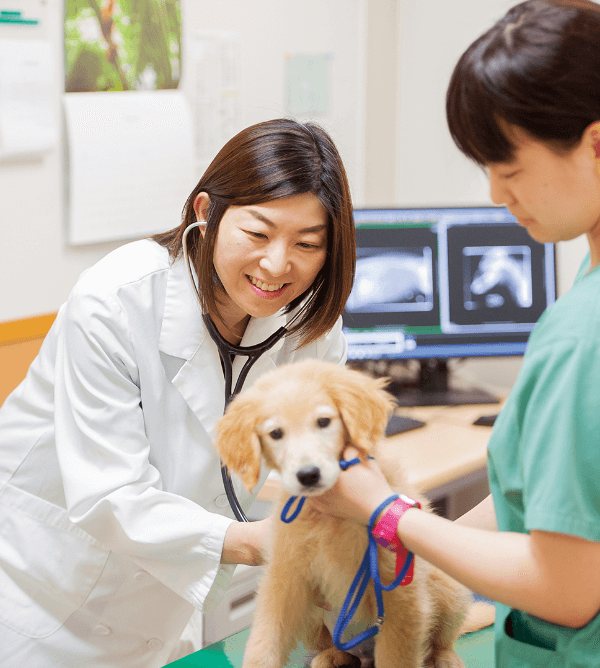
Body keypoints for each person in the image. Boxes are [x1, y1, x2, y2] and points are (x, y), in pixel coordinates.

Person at [0, 118, 356, 667]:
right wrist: (269, 545)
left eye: (307, 244)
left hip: (159, 610)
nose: (277, 264)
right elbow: (108, 495)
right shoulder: (115, 302)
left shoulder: (310, 327)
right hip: (37, 596)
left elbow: (325, 460)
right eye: (258, 234)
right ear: (206, 212)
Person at [310, 1, 600, 665]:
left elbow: (567, 587)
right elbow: (544, 502)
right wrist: (415, 538)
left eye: (510, 168)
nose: (498, 196)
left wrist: (386, 512)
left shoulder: (582, 333)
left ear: (595, 142)